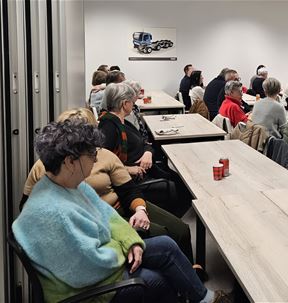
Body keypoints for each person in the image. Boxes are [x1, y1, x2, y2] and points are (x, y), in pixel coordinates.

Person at [12, 120, 231, 303]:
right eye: (91, 155)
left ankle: (204, 298)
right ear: (70, 161)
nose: (96, 159)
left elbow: (110, 217)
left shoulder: (72, 184)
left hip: (103, 259)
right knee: (159, 279)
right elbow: (87, 269)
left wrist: (131, 241)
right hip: (87, 288)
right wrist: (123, 248)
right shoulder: (52, 212)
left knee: (166, 244)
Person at [21, 108, 195, 264]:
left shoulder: (104, 156)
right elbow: (27, 205)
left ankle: (191, 270)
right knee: (162, 235)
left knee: (181, 230)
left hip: (122, 205)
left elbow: (128, 190)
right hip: (100, 221)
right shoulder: (45, 165)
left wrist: (140, 209)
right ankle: (179, 281)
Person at [98, 83, 190, 214]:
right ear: (125, 104)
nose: (133, 104)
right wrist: (129, 169)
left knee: (181, 180)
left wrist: (147, 153)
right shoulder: (109, 127)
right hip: (134, 178)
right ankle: (173, 220)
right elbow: (103, 163)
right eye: (132, 102)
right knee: (181, 186)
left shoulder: (122, 122)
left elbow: (143, 142)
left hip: (148, 167)